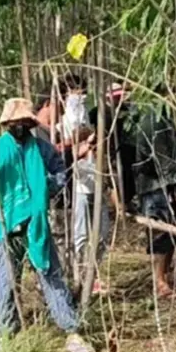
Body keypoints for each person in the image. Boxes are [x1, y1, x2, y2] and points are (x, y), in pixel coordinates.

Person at [0, 98, 94, 352]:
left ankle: (71, 330)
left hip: (36, 222)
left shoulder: (41, 148)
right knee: (5, 280)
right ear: (7, 124)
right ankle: (5, 333)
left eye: (25, 122)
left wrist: (46, 190)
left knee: (50, 274)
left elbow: (59, 171)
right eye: (15, 123)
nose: (20, 127)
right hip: (4, 222)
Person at [124, 93, 176, 298]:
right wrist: (175, 178)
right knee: (160, 233)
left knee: (171, 234)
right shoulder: (152, 119)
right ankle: (159, 282)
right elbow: (157, 156)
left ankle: (163, 278)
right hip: (154, 186)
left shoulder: (162, 117)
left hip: (162, 184)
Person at [62, 76, 109, 291]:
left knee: (102, 234)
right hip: (78, 186)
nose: (79, 96)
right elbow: (66, 154)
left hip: (96, 181)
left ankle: (94, 274)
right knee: (79, 235)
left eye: (82, 92)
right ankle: (78, 276)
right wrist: (82, 147)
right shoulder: (63, 123)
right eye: (75, 92)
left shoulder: (90, 121)